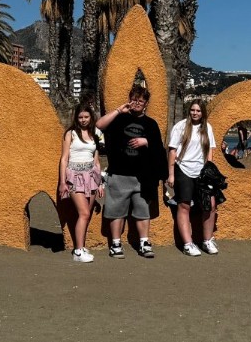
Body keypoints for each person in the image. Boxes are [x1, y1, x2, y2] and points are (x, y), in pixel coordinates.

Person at [96, 85, 163, 258]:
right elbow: (99, 125)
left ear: (146, 103)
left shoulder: (151, 124)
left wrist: (146, 142)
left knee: (142, 212)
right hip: (119, 173)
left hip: (143, 176)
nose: (137, 103)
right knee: (116, 211)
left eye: (141, 101)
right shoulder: (119, 119)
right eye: (134, 100)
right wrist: (119, 110)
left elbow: (159, 149)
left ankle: (144, 243)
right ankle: (116, 244)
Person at [167, 99, 218, 257]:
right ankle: (188, 244)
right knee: (184, 205)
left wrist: (209, 170)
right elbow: (172, 151)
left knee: (210, 204)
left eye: (198, 111)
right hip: (183, 169)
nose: (195, 113)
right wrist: (171, 174)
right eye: (192, 110)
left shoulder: (207, 127)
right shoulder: (180, 126)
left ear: (203, 113)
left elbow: (209, 150)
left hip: (201, 171)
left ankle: (207, 240)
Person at [58, 103, 104, 262]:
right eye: (80, 117)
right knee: (83, 213)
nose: (83, 120)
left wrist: (100, 183)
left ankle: (81, 246)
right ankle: (78, 252)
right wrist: (62, 182)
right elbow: (64, 159)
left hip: (91, 177)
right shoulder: (70, 134)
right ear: (76, 118)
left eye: (86, 117)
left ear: (91, 117)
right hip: (74, 176)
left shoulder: (95, 134)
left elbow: (96, 161)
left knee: (87, 214)